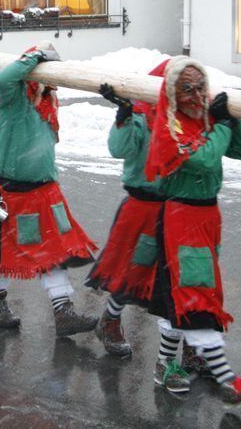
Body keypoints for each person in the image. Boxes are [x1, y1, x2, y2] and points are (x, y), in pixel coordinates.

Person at [143, 56, 241, 408]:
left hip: (207, 218)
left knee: (181, 298)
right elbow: (206, 159)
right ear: (175, 95)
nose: (196, 96)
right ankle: (228, 381)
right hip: (182, 218)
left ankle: (165, 364)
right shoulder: (170, 127)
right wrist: (222, 125)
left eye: (201, 87)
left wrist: (232, 119)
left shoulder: (206, 120)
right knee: (194, 298)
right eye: (187, 89)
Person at [0, 41, 99, 334]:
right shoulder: (13, 96)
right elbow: (2, 77)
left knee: (53, 251)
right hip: (9, 189)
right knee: (2, 252)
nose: (53, 84)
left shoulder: (47, 101)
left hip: (44, 190)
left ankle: (62, 312)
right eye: (47, 75)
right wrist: (35, 56)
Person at [85, 62, 169, 358]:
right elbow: (118, 149)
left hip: (177, 208)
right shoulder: (140, 116)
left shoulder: (186, 119)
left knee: (179, 278)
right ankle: (110, 318)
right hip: (142, 207)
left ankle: (191, 346)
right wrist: (123, 116)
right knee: (132, 271)